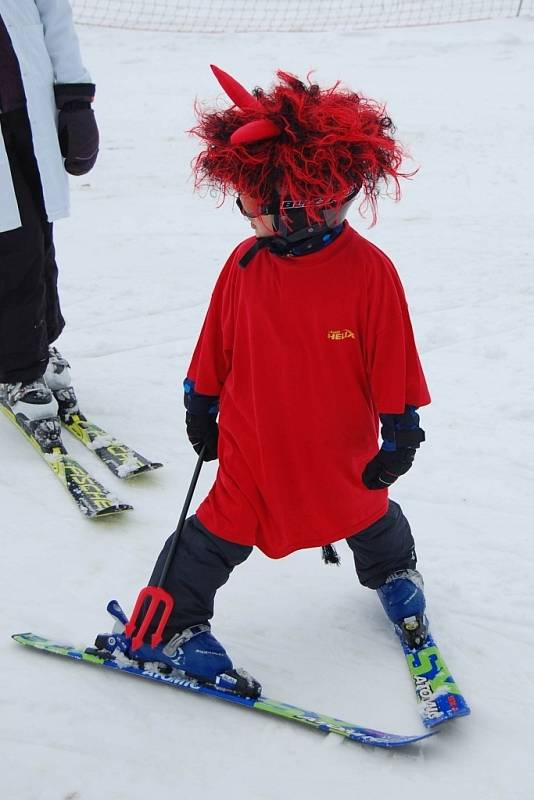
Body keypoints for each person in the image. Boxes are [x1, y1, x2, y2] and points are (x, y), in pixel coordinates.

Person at [98, 66, 431, 697]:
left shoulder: (368, 272)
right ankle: (169, 625)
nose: (248, 220)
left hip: (338, 442)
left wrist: (401, 427)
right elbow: (215, 339)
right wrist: (202, 401)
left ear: (304, 205)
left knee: (364, 508)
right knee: (215, 532)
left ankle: (395, 573)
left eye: (257, 209)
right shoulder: (247, 263)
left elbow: (395, 355)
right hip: (256, 443)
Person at [0, 0, 98, 422]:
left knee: (40, 232)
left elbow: (54, 13)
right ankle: (16, 367)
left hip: (27, 101)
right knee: (12, 243)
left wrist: (75, 99)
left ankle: (37, 344)